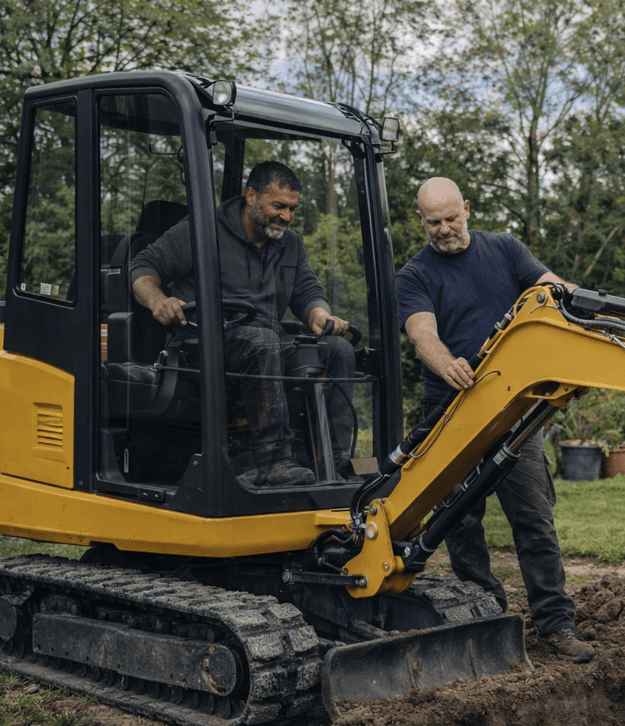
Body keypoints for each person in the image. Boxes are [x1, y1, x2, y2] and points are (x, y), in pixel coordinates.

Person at [396, 177, 595, 664]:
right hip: (452, 413)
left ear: (467, 208)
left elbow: (552, 287)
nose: (444, 229)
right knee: (459, 523)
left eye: (451, 218)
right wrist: (445, 363)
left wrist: (588, 303)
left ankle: (556, 623)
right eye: (434, 222)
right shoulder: (414, 274)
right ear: (420, 220)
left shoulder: (504, 249)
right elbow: (422, 334)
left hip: (514, 411)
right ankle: (484, 613)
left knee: (534, 518)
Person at [130, 161, 355, 488]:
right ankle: (274, 461)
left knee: (338, 350)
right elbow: (144, 265)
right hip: (203, 347)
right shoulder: (203, 230)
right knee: (261, 341)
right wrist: (157, 300)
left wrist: (319, 315)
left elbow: (307, 291)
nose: (287, 217)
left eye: (292, 208)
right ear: (251, 196)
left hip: (265, 345)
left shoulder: (290, 244)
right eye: (278, 206)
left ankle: (335, 465)